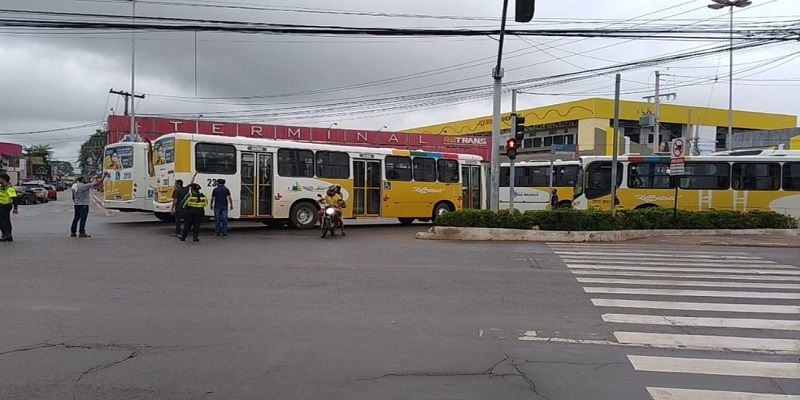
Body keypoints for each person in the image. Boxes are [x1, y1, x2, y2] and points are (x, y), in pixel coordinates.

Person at [180, 175, 207, 242]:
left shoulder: (190, 195)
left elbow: (183, 202)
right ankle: (195, 237)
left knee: (187, 224)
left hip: (190, 211)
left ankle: (183, 237)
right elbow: (206, 203)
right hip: (200, 211)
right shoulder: (203, 195)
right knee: (197, 225)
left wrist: (182, 209)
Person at [0, 173, 19, 242]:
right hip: (1, 205)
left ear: (4, 179)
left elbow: (14, 198)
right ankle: (9, 236)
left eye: (0, 178)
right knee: (6, 220)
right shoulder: (1, 186)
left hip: (6, 205)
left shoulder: (9, 188)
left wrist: (15, 208)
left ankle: (5, 235)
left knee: (1, 220)